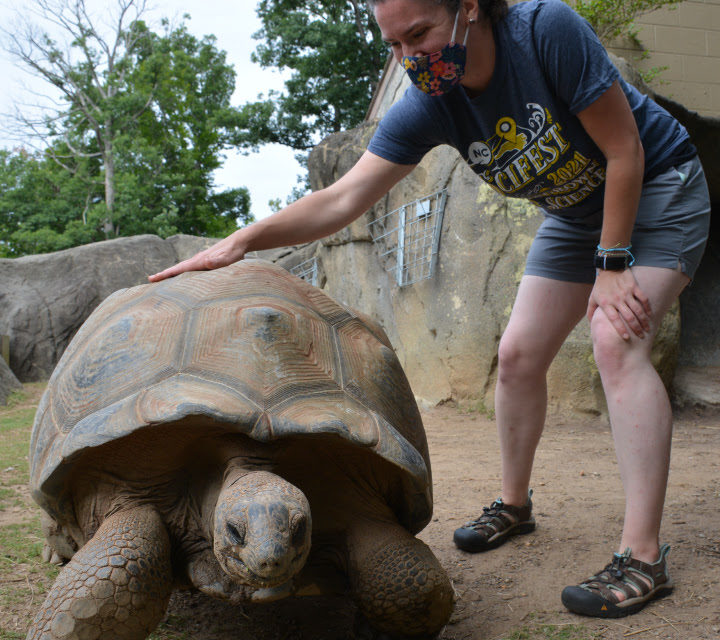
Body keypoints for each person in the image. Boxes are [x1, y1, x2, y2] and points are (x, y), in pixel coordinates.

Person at [149, 0, 711, 619]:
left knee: (615, 336)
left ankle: (642, 555)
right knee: (519, 355)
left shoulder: (545, 31)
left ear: (470, 7)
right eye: (394, 46)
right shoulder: (428, 101)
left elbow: (626, 148)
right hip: (575, 213)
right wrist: (240, 241)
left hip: (658, 185)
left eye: (419, 34)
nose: (409, 57)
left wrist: (612, 266)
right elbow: (341, 200)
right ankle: (514, 505)